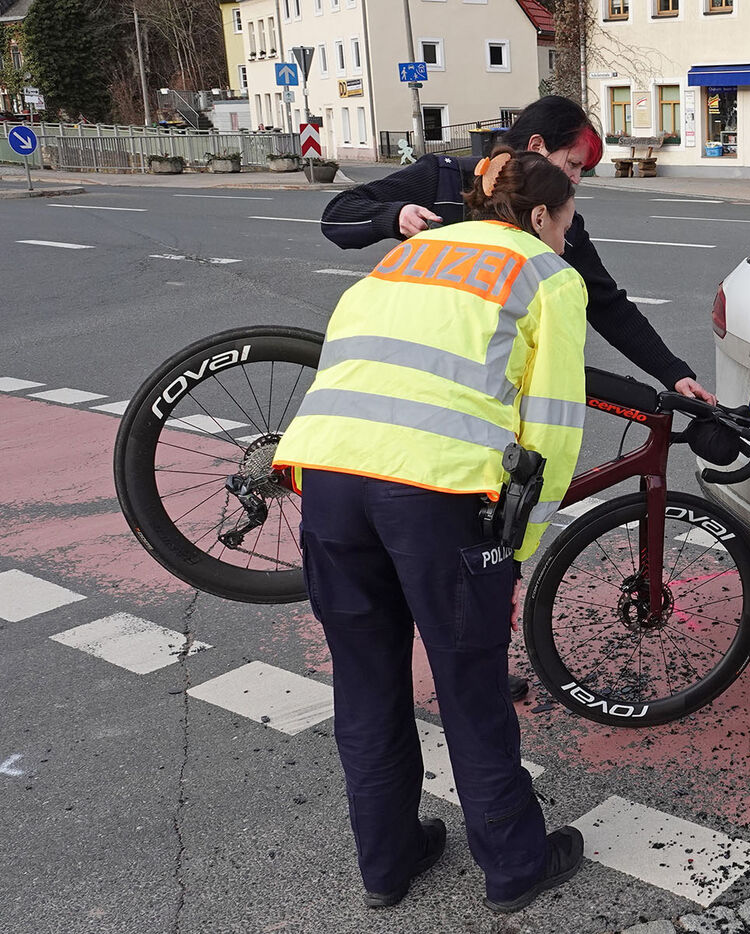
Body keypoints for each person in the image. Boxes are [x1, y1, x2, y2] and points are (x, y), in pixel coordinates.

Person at [273, 148, 587, 913]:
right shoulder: (547, 275)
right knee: (470, 684)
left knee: (366, 681)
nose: (569, 237)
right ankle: (514, 864)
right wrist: (520, 542)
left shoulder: (412, 253)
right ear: (539, 216)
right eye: (568, 223)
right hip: (437, 491)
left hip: (328, 476)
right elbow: (553, 425)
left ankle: (387, 863)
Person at [322, 95, 716, 701]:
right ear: (538, 149)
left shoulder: (555, 216)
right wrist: (394, 215)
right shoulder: (444, 178)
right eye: (574, 166)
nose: (577, 183)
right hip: (410, 380)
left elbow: (606, 301)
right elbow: (338, 216)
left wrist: (674, 373)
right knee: (473, 535)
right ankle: (472, 655)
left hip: (468, 406)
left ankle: (478, 649)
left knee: (476, 534)